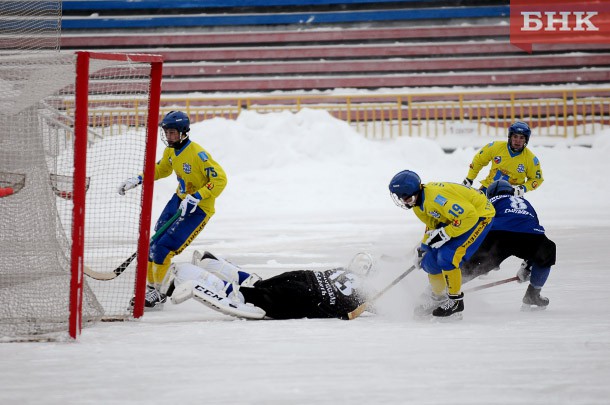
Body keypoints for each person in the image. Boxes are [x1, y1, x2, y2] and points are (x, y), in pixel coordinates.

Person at [118, 111, 227, 309]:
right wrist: (140, 178)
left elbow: (220, 180)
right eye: (166, 133)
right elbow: (162, 169)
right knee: (156, 240)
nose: (168, 137)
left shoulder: (198, 154)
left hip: (199, 208)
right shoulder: (171, 151)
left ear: (184, 132)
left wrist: (197, 196)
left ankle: (159, 292)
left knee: (163, 247)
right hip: (179, 199)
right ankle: (151, 287)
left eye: (172, 133)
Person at [389, 170, 495, 319]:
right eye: (400, 198)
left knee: (447, 256)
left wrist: (446, 233)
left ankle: (455, 301)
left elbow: (469, 216)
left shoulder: (436, 199)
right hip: (458, 217)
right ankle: (439, 297)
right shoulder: (418, 206)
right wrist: (423, 248)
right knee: (429, 261)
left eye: (405, 197)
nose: (403, 201)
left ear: (414, 192)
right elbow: (433, 225)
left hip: (480, 215)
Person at [166, 251, 374, 320]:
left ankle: (210, 261)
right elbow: (356, 311)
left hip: (303, 276)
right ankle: (184, 276)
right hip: (308, 296)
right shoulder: (363, 293)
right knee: (244, 297)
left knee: (258, 284)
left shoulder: (341, 270)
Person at [461, 179, 555, 310]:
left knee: (473, 267)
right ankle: (533, 294)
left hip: (500, 235)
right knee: (547, 251)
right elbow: (533, 224)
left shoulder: (491, 201)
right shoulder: (525, 202)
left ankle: (440, 291)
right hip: (530, 235)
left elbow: (480, 222)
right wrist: (527, 266)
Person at [462, 121, 544, 196]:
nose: (517, 141)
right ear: (510, 137)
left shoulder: (531, 159)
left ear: (526, 140)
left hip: (512, 194)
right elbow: (478, 161)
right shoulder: (495, 147)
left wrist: (523, 188)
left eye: (521, 138)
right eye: (515, 136)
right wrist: (469, 179)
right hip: (489, 188)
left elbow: (537, 179)